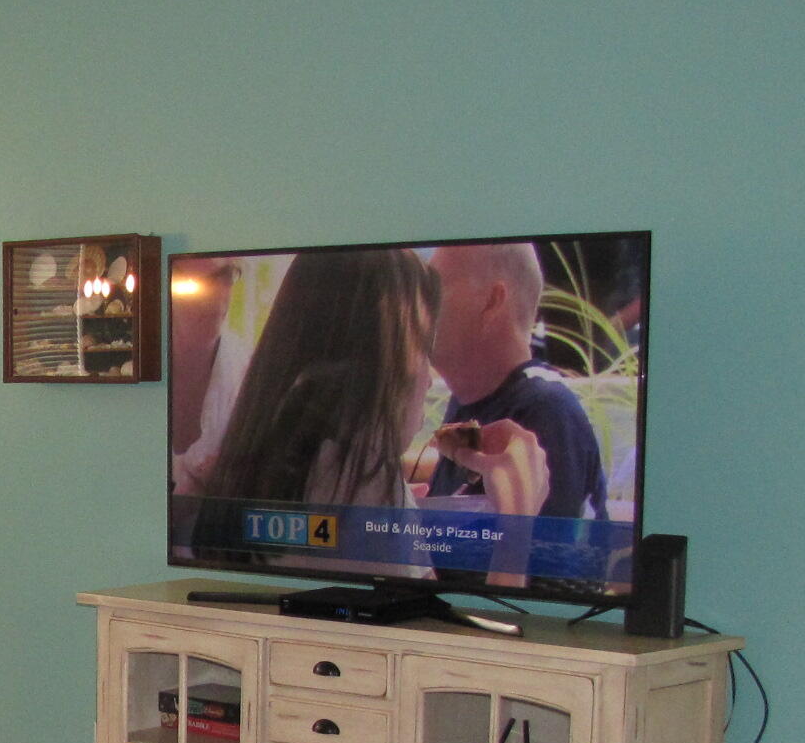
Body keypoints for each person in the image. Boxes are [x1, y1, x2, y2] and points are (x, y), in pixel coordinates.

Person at [190, 248, 440, 570]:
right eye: (421, 346)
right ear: (377, 359)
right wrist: (517, 494)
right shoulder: (369, 486)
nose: (428, 377)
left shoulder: (267, 461)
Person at [420, 241, 606, 520]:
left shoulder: (546, 411)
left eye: (434, 289)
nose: (419, 306)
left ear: (491, 301)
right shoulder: (474, 398)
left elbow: (544, 558)